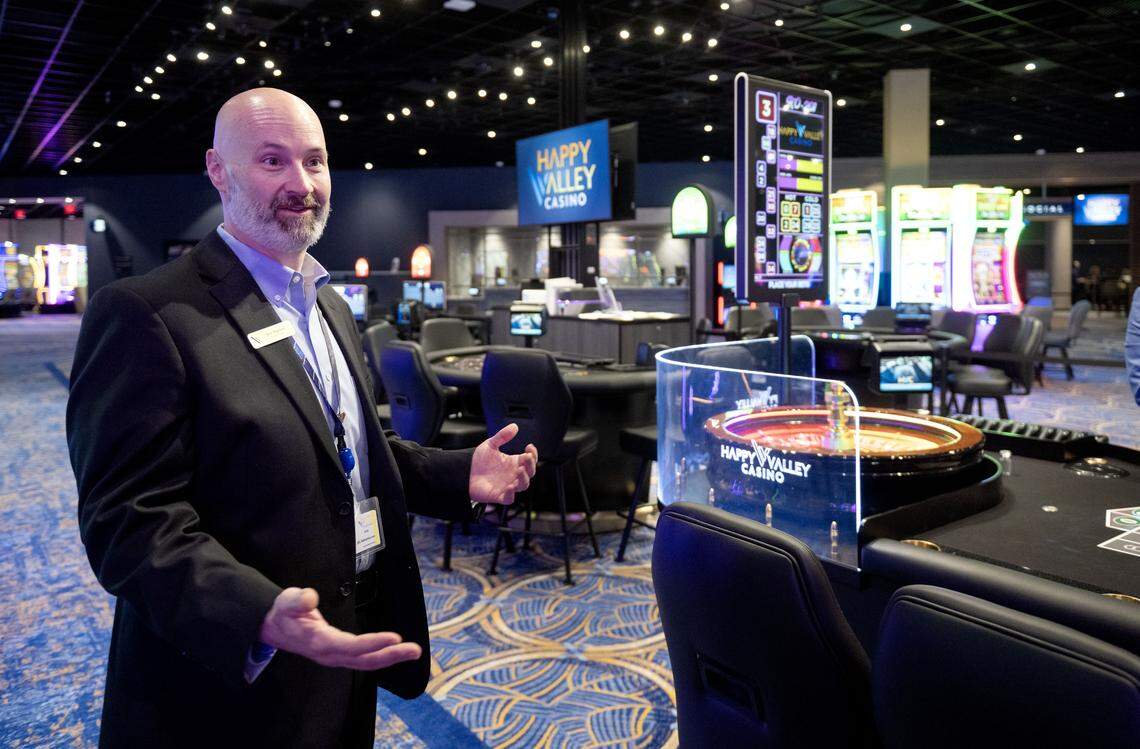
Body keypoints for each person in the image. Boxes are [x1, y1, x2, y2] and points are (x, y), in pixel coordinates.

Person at [66, 88, 538, 747]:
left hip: (345, 658)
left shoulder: (330, 308)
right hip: (223, 688)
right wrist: (256, 612)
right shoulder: (147, 315)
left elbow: (350, 453)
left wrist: (462, 474)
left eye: (314, 162)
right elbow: (128, 522)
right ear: (217, 170)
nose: (301, 184)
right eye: (271, 161)